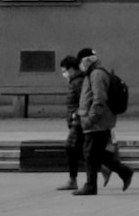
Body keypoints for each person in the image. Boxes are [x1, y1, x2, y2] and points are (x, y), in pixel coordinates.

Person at [72, 47, 134, 195]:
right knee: (95, 153)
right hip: (97, 121)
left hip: (97, 122)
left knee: (90, 153)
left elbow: (99, 99)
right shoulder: (93, 73)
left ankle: (91, 185)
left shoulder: (97, 74)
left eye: (81, 62)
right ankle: (124, 172)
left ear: (86, 61)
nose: (80, 66)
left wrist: (91, 118)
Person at [56, 54, 84, 191]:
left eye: (64, 71)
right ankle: (112, 166)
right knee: (80, 149)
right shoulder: (76, 81)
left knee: (70, 146)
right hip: (77, 120)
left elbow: (84, 101)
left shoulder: (78, 82)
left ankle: (73, 180)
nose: (64, 74)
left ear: (72, 69)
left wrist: (75, 114)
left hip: (79, 121)